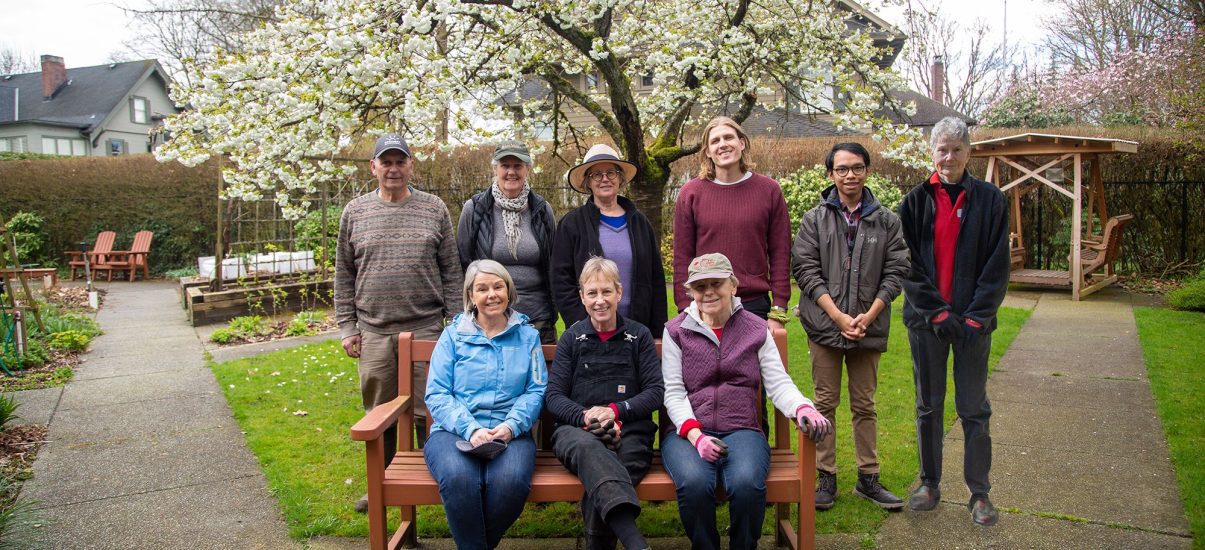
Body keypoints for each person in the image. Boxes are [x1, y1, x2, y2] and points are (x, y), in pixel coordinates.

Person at [661, 253, 833, 550]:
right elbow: (673, 392)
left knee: (745, 484)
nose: (709, 292)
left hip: (741, 429)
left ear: (734, 286)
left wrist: (803, 406)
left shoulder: (755, 329)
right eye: (701, 287)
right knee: (694, 483)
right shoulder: (676, 331)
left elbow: (778, 383)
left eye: (717, 283)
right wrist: (695, 434)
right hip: (688, 434)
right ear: (691, 293)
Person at [335, 133, 462, 513]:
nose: (393, 168)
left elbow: (452, 271)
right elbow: (343, 273)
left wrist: (455, 323)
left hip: (425, 327)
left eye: (399, 161)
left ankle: (437, 478)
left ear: (410, 166)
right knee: (379, 412)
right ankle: (381, 483)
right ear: (373, 167)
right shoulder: (354, 212)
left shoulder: (434, 208)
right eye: (385, 162)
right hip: (374, 330)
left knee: (432, 410)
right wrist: (347, 326)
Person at [898, 117, 1010, 526]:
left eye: (957, 149)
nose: (949, 157)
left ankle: (979, 493)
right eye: (942, 149)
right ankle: (929, 483)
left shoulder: (991, 201)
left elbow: (997, 267)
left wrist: (977, 318)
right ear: (932, 153)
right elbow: (907, 266)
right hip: (927, 324)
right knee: (929, 406)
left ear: (969, 152)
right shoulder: (912, 203)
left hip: (973, 327)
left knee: (973, 408)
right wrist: (938, 312)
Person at [790, 142, 910, 511]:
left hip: (867, 327)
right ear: (830, 175)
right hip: (825, 327)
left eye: (857, 167)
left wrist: (868, 316)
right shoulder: (815, 219)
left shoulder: (886, 221)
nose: (849, 175)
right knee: (823, 404)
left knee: (865, 405)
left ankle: (868, 478)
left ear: (867, 171)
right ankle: (825, 477)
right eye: (841, 169)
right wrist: (839, 317)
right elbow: (805, 271)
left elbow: (897, 271)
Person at [424, 259, 547, 550]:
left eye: (498, 286)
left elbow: (536, 390)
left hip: (510, 435)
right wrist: (470, 429)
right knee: (458, 480)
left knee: (511, 484)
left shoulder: (528, 336)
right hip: (453, 433)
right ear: (470, 296)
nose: (491, 294)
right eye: (482, 288)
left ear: (509, 290)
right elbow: (437, 393)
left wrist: (510, 426)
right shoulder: (452, 336)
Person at [545, 257, 663, 550]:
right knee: (592, 453)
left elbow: (655, 392)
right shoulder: (572, 339)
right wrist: (587, 417)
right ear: (582, 297)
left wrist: (615, 411)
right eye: (592, 293)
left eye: (606, 292)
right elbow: (554, 396)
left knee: (606, 473)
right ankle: (636, 543)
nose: (600, 301)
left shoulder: (639, 336)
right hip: (577, 432)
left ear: (619, 293)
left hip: (631, 432)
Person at [672, 116, 793, 330]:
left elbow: (780, 252)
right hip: (706, 304)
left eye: (729, 137)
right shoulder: (690, 193)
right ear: (707, 151)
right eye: (715, 141)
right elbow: (682, 256)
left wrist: (779, 309)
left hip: (753, 304)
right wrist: (685, 309)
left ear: (742, 143)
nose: (723, 145)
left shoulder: (769, 190)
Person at [551, 144, 667, 337]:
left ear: (620, 178)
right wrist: (584, 323)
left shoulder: (640, 223)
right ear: (588, 182)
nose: (605, 179)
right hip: (592, 331)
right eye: (596, 174)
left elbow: (656, 279)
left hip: (637, 329)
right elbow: (561, 281)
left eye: (611, 173)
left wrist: (657, 331)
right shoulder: (572, 224)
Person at [457, 140, 558, 344]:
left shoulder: (541, 210)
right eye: (505, 166)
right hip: (490, 318)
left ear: (527, 169)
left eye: (518, 166)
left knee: (541, 376)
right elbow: (463, 262)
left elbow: (553, 262)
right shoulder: (475, 209)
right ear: (495, 168)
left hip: (537, 318)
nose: (511, 172)